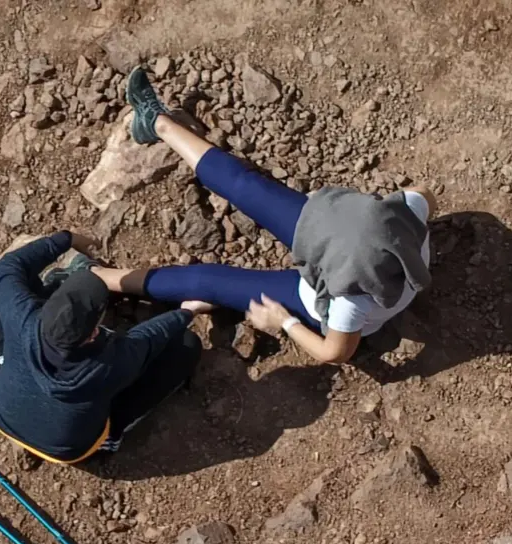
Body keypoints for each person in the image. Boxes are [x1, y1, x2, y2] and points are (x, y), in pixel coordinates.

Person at [91, 68, 438, 364]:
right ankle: (159, 124)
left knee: (206, 280)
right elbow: (424, 196)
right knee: (244, 185)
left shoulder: (349, 302)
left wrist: (284, 321)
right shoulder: (405, 216)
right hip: (340, 240)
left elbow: (334, 353)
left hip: (308, 296)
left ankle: (96, 277)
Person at [0, 230, 211, 465]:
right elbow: (148, 337)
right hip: (64, 448)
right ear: (93, 333)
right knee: (186, 345)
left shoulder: (21, 316)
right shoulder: (107, 366)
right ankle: (112, 436)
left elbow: (8, 268)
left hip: (2, 411)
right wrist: (187, 311)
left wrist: (65, 239)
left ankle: (63, 283)